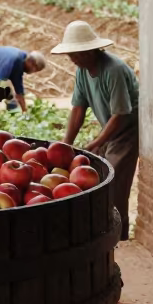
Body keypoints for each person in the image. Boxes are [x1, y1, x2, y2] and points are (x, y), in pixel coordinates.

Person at [50, 19, 139, 241]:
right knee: (98, 176)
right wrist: (65, 144)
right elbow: (78, 108)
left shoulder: (114, 70)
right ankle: (102, 233)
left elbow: (121, 113)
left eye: (75, 53)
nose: (71, 58)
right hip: (110, 127)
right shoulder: (82, 71)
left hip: (128, 129)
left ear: (89, 51)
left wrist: (96, 142)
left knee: (115, 183)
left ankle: (120, 237)